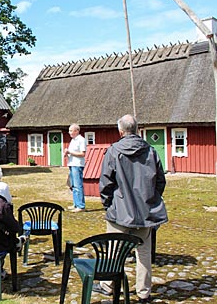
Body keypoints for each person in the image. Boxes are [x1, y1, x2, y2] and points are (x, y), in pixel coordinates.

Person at [94, 114, 168, 304]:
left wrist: (108, 204)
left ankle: (108, 285)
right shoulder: (150, 151)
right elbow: (160, 181)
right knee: (144, 253)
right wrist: (151, 200)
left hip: (120, 210)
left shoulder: (113, 151)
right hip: (144, 210)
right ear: (136, 129)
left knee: (113, 251)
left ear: (121, 131)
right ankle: (144, 292)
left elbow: (105, 183)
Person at [64, 123, 86, 212]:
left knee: (78, 185)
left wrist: (70, 152)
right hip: (72, 164)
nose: (69, 133)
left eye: (71, 130)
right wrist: (67, 153)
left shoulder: (81, 140)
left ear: (76, 131)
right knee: (73, 185)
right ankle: (76, 204)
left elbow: (82, 154)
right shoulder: (73, 140)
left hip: (77, 165)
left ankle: (81, 206)